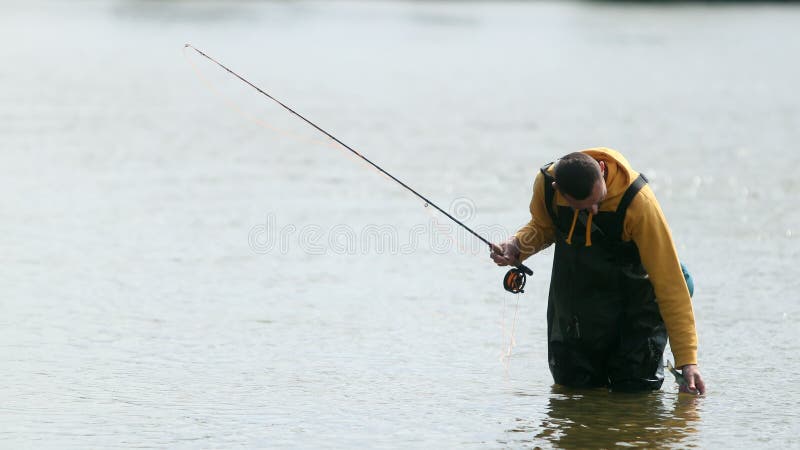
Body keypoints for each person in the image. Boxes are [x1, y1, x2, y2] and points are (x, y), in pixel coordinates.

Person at [491, 148, 705, 394]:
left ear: (602, 171)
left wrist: (688, 362)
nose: (593, 210)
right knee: (573, 395)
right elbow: (543, 226)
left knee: (634, 397)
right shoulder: (547, 187)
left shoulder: (639, 202)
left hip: (637, 312)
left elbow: (669, 282)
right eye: (582, 208)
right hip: (577, 311)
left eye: (598, 201)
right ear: (558, 189)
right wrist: (516, 247)